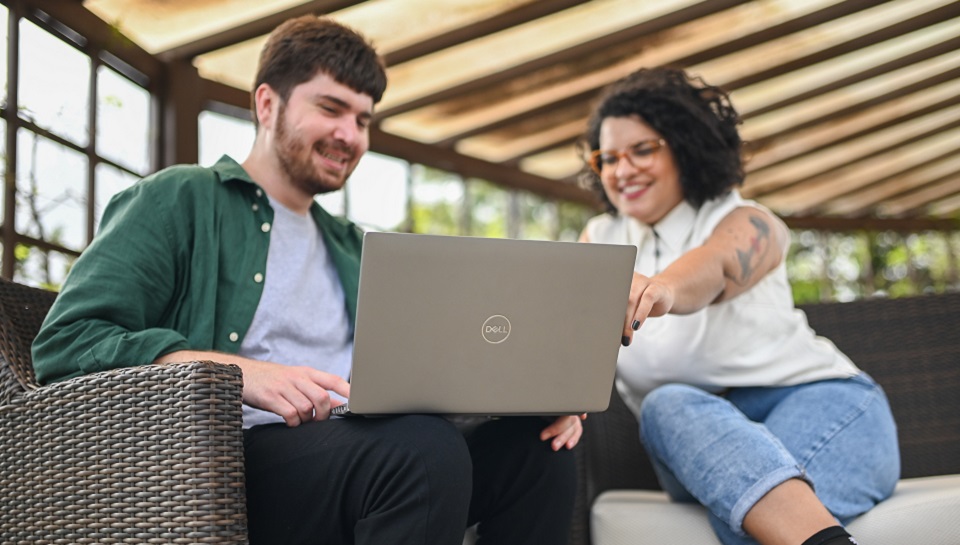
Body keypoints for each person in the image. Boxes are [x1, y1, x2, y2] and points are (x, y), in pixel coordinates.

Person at [32, 15, 583, 545]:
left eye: (363, 120)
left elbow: (424, 374)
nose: (350, 135)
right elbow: (68, 341)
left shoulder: (355, 246)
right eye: (331, 108)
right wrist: (238, 373)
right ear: (267, 103)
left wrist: (527, 396)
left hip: (373, 451)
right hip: (228, 465)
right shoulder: (181, 198)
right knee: (422, 448)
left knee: (539, 449)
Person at [577, 67, 899, 545]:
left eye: (643, 149)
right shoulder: (600, 241)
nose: (622, 171)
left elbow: (721, 263)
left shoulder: (745, 220)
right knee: (668, 403)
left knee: (756, 524)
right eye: (608, 158)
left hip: (820, 402)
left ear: (685, 146)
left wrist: (664, 288)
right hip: (691, 444)